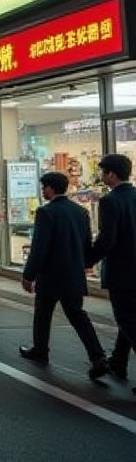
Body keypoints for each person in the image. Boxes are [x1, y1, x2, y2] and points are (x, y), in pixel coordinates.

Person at [17, 172, 108, 375]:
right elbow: (86, 244)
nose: (43, 191)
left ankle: (40, 350)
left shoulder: (45, 212)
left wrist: (28, 274)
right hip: (73, 273)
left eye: (43, 188)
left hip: (51, 274)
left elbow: (39, 247)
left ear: (50, 188)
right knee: (77, 315)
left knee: (43, 313)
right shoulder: (80, 212)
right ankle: (98, 355)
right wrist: (85, 264)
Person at [88, 154, 136, 388]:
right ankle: (118, 362)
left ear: (112, 174)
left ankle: (118, 362)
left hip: (122, 270)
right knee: (129, 318)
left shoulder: (110, 201)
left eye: (103, 172)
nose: (102, 176)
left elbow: (108, 239)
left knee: (127, 318)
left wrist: (88, 260)